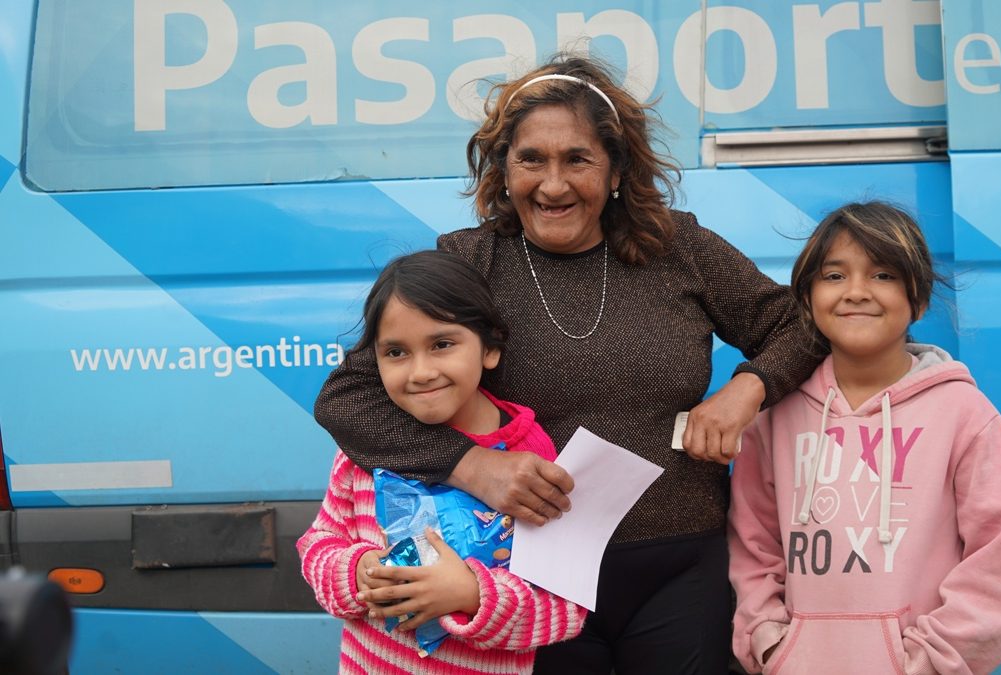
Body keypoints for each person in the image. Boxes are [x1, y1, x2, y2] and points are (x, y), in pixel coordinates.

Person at [314, 55, 821, 674]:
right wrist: (475, 467)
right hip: (527, 578)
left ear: (615, 169)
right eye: (531, 160)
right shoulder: (470, 263)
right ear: (503, 170)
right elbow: (348, 397)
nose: (553, 186)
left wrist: (749, 387)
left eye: (576, 159)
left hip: (680, 567)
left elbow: (798, 323)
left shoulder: (678, 246)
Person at [728, 202, 1001, 674]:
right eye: (833, 276)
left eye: (883, 275)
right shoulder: (773, 416)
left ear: (920, 299)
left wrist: (927, 662)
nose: (856, 292)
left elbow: (996, 562)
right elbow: (753, 543)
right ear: (806, 297)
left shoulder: (967, 415)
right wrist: (770, 643)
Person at [297, 250, 586, 675]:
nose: (421, 372)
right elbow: (317, 546)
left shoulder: (533, 463)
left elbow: (565, 611)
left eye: (442, 344)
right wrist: (359, 571)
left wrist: (471, 594)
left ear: (490, 349)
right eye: (396, 352)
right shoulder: (369, 445)